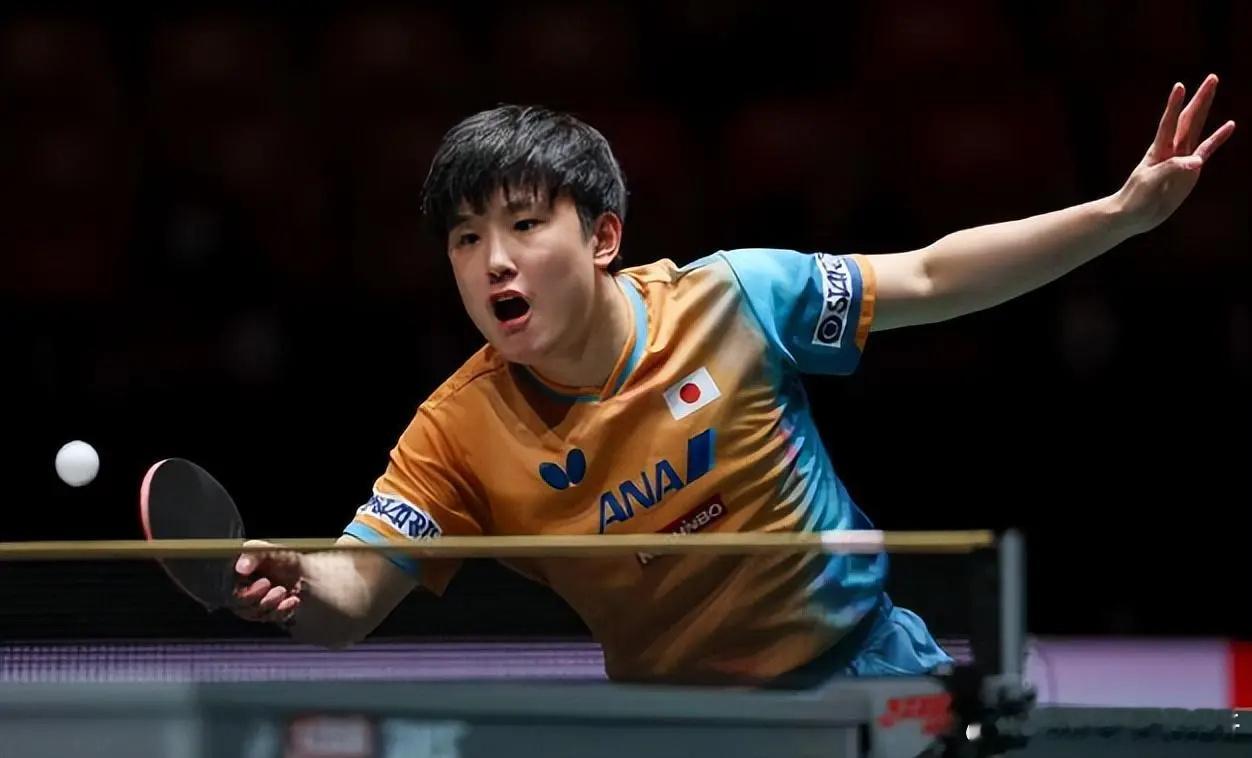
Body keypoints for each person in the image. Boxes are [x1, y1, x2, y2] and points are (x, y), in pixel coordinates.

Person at [231, 76, 1234, 687]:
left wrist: (1118, 216)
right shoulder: (457, 429)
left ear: (603, 237)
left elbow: (929, 275)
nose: (493, 260)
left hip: (869, 677)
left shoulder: (737, 298)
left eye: (524, 224)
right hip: (691, 730)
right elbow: (350, 598)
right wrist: (290, 585)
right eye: (464, 239)